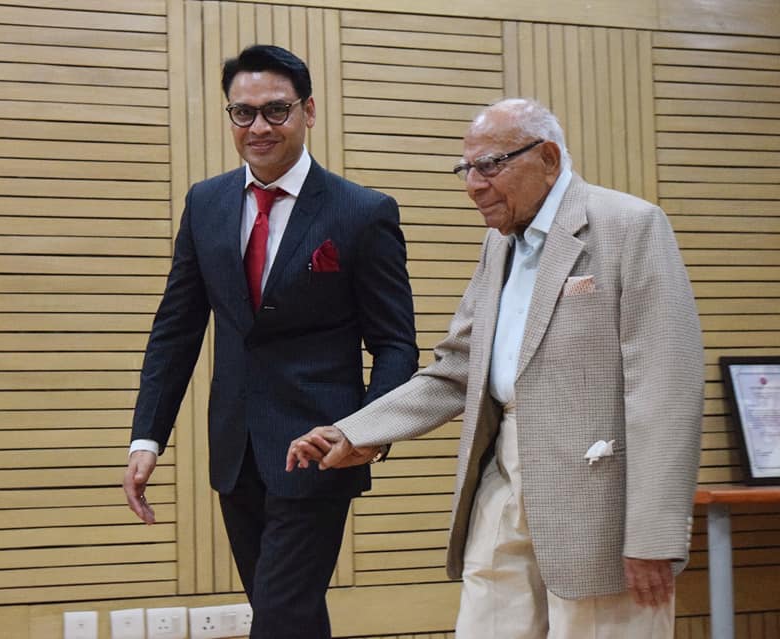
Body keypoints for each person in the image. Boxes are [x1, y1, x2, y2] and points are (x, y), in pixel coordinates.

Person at [286, 98, 704, 639]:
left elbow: (666, 391)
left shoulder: (630, 225)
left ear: (548, 158)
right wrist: (356, 431)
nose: (473, 185)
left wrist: (653, 535)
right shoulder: (498, 244)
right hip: (500, 481)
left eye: (490, 166)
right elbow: (457, 368)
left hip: (599, 502)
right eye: (466, 169)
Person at [123, 44, 418, 639]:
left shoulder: (362, 212)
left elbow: (396, 345)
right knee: (289, 615)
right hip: (236, 452)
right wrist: (148, 436)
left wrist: (365, 435)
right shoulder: (205, 203)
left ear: (308, 111)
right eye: (244, 112)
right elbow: (176, 329)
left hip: (319, 451)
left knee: (280, 618)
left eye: (276, 110)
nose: (258, 126)